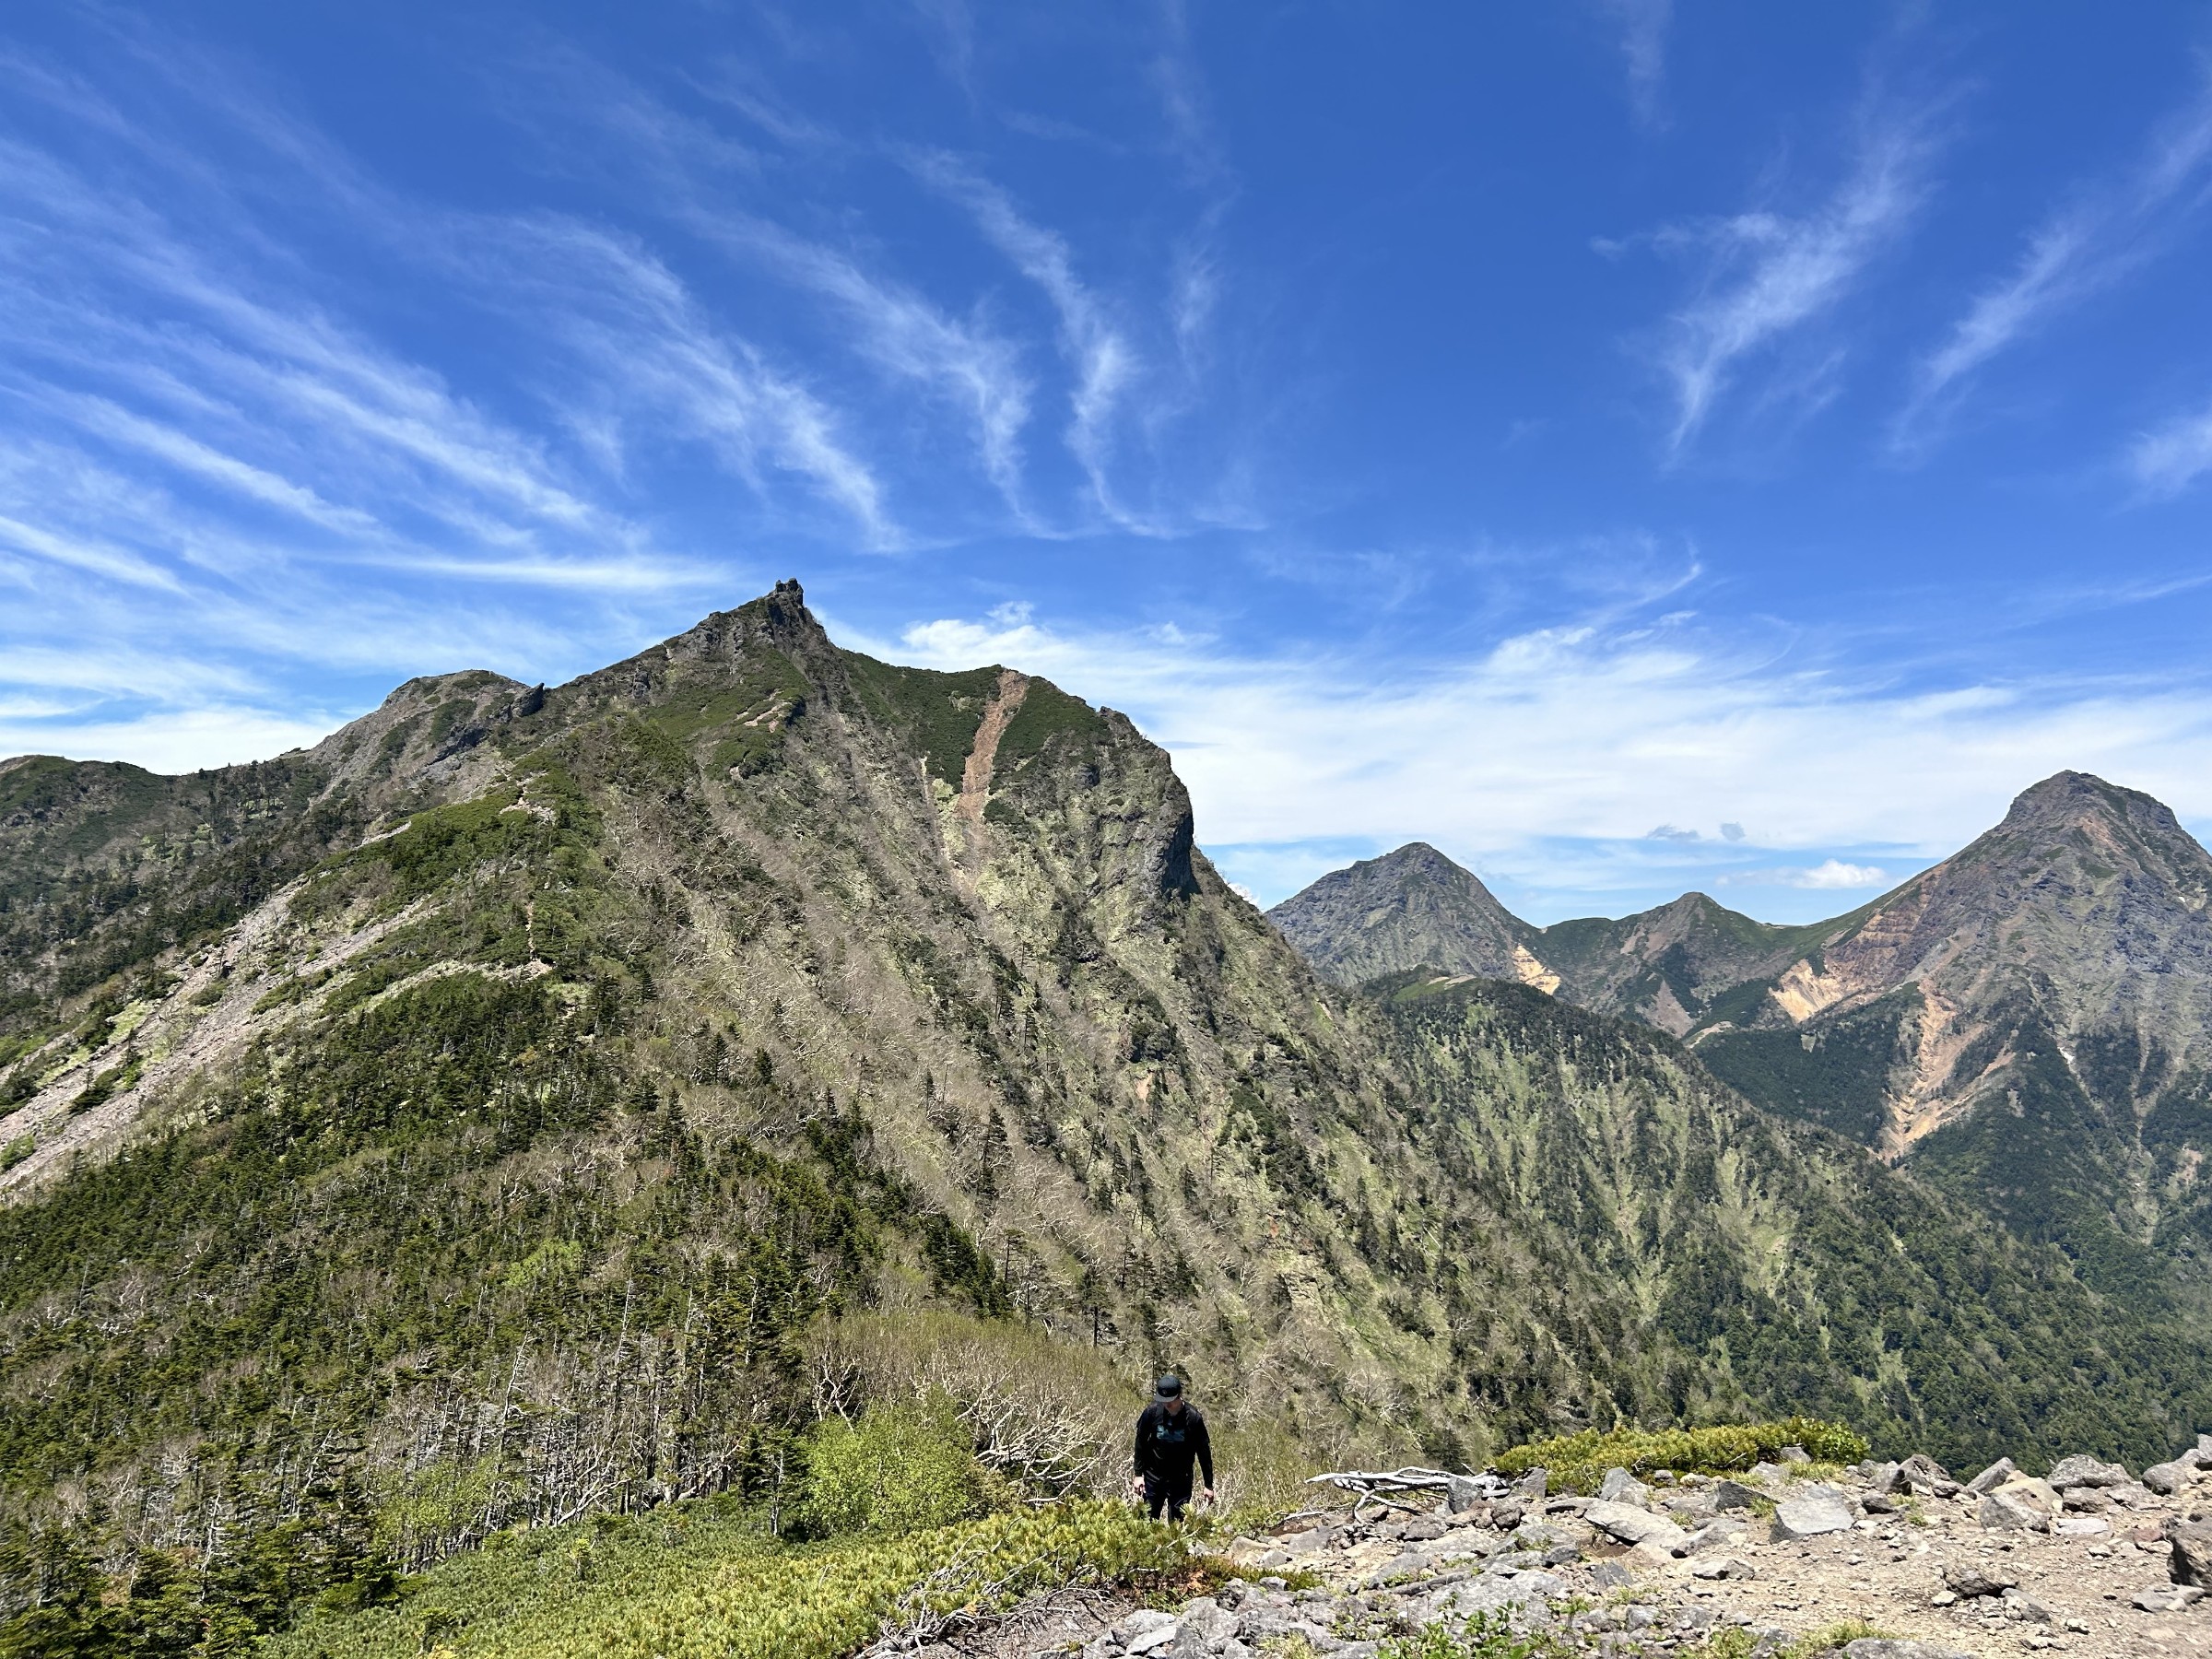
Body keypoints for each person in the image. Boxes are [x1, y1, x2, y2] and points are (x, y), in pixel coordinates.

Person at [1130, 1373, 1214, 1521]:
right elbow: (1140, 1442)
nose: (1167, 1404)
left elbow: (1204, 1452)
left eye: (1170, 1401)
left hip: (1181, 1479)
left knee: (1177, 1523)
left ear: (1179, 1395)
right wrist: (1138, 1475)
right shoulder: (1152, 1412)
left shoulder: (1193, 1418)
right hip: (1153, 1477)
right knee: (1147, 1521)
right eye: (1163, 1401)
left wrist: (1208, 1485)